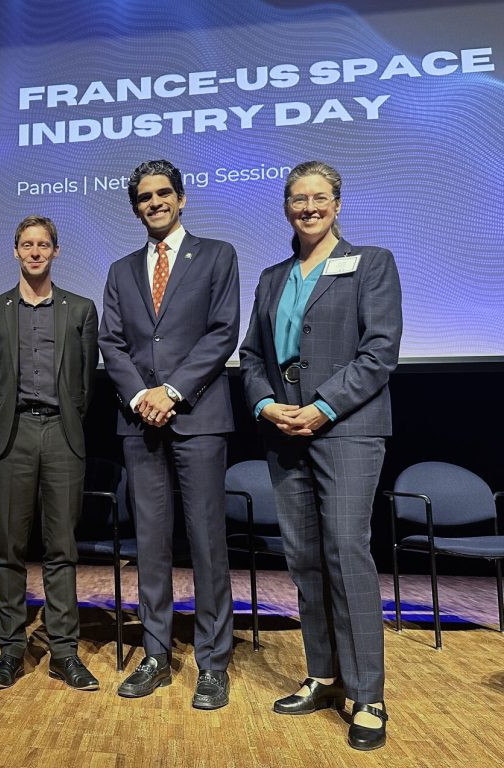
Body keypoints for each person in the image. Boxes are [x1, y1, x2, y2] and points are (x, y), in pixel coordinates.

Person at [239, 160, 401, 751]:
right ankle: (325, 675)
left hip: (348, 431)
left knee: (344, 552)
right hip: (284, 432)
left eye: (319, 197)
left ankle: (370, 695)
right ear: (286, 206)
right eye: (298, 199)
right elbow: (251, 355)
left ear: (338, 202)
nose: (308, 207)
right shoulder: (271, 276)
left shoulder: (372, 264)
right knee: (305, 558)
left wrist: (323, 407)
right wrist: (264, 405)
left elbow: (380, 353)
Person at [99, 159, 239, 709]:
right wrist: (140, 396)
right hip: (140, 422)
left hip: (198, 418)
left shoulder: (218, 255)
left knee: (207, 545)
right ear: (136, 208)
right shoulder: (120, 268)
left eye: (163, 194)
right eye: (144, 197)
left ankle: (212, 663)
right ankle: (155, 652)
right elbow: (112, 342)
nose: (154, 203)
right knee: (151, 547)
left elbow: (222, 332)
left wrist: (172, 392)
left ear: (181, 199)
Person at [0, 216, 99, 691]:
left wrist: (64, 421)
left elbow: (85, 383)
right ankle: (10, 649)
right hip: (12, 434)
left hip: (62, 435)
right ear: (14, 252)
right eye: (26, 245)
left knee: (61, 547)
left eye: (42, 244)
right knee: (9, 547)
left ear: (55, 251)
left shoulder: (80, 310)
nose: (34, 252)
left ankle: (63, 651)